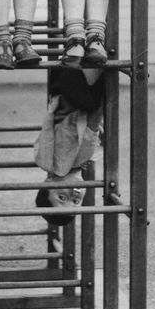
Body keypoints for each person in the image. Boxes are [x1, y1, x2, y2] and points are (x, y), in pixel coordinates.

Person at [34, 67, 104, 226]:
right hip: (66, 87)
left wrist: (107, 95)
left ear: (47, 183)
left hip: (77, 87)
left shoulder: (65, 162)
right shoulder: (77, 162)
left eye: (62, 198)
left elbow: (92, 121)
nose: (74, 195)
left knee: (95, 61)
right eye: (76, 202)